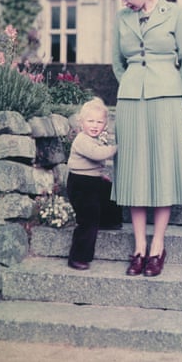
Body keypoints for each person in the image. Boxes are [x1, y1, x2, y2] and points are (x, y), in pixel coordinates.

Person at [111, 0, 182, 277]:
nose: (124, 1)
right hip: (131, 100)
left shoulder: (175, 13)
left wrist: (176, 94)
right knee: (134, 171)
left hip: (166, 99)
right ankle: (139, 247)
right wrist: (132, 84)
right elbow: (117, 62)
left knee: (161, 168)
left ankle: (158, 245)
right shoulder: (121, 18)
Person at [67, 97, 120, 270]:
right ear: (81, 123)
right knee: (87, 219)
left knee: (109, 191)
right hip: (80, 184)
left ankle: (109, 220)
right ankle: (78, 256)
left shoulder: (95, 137)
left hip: (92, 180)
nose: (95, 125)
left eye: (99, 122)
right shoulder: (82, 139)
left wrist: (99, 175)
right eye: (90, 121)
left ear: (105, 125)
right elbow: (96, 154)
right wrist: (116, 148)